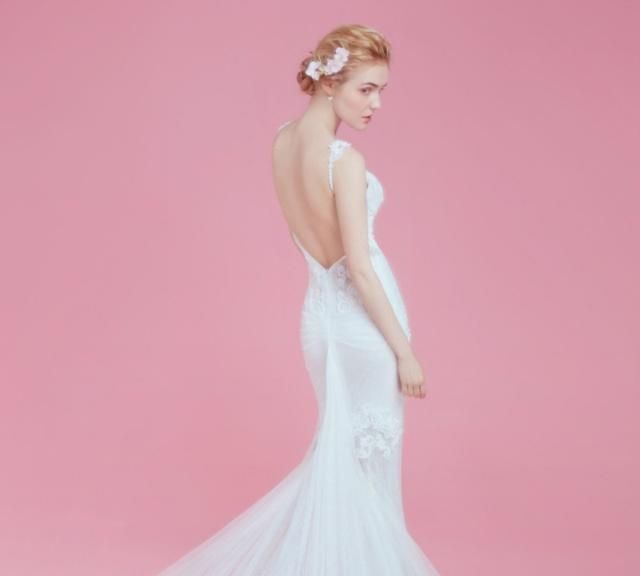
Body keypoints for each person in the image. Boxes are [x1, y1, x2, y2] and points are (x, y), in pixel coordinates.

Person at [157, 24, 441, 575]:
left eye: (381, 90)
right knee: (366, 472)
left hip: (320, 322)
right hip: (365, 329)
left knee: (337, 461)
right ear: (329, 83)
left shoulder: (283, 142)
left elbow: (306, 238)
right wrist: (405, 352)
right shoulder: (345, 160)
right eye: (366, 89)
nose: (376, 104)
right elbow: (360, 268)